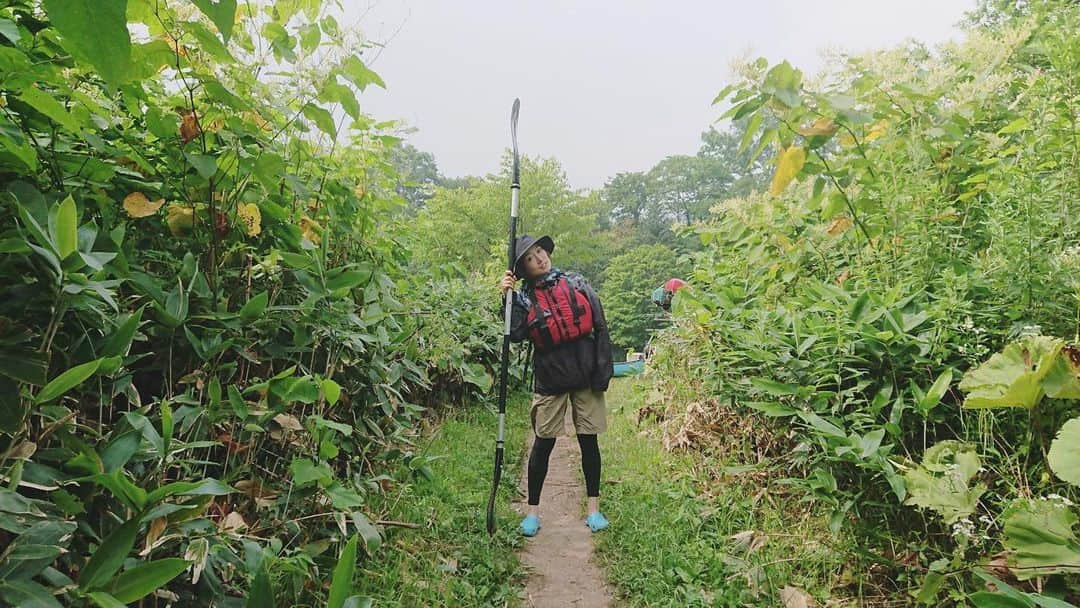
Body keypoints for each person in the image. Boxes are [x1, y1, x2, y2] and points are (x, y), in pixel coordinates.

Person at [498, 234, 614, 536]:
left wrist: (604, 369)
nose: (539, 258)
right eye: (530, 258)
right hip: (551, 378)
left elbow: (599, 324)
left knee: (589, 442)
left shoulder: (576, 282)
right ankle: (532, 513)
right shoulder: (523, 298)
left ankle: (594, 510)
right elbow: (516, 333)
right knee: (543, 443)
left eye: (540, 252)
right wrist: (507, 298)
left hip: (585, 375)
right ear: (522, 269)